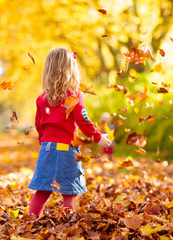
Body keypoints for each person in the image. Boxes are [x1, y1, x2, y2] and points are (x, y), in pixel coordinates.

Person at [28, 48, 112, 216]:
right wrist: (98, 138)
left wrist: (43, 144)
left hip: (47, 148)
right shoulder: (73, 95)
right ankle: (69, 227)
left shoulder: (41, 98)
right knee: (69, 190)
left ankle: (31, 220)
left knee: (43, 190)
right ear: (71, 69)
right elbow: (83, 121)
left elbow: (39, 125)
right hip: (66, 149)